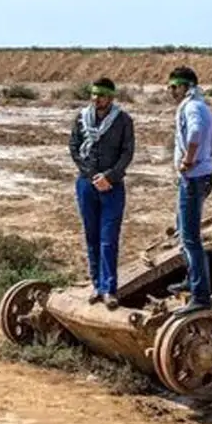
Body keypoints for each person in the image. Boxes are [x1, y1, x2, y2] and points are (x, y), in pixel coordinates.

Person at [67, 77, 135, 310]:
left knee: (108, 240)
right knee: (92, 237)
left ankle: (109, 289)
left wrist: (109, 177)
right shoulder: (81, 118)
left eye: (102, 95)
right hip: (87, 184)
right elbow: (74, 148)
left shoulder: (123, 120)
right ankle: (96, 285)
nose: (97, 99)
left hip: (112, 187)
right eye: (94, 94)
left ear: (111, 97)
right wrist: (92, 174)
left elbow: (127, 152)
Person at [164, 66, 212, 315]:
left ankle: (200, 295)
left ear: (186, 87)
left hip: (193, 178)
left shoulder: (192, 107)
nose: (170, 91)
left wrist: (188, 159)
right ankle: (191, 277)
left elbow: (195, 132)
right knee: (183, 231)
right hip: (195, 177)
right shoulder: (197, 105)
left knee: (191, 238)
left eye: (174, 86)